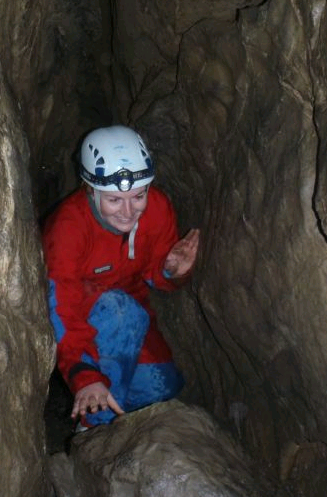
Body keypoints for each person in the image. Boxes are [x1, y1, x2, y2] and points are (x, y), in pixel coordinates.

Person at [42, 125, 200, 428]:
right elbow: (61, 307)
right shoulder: (68, 228)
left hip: (131, 316)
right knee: (121, 313)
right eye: (114, 200)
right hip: (83, 317)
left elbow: (155, 276)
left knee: (161, 390)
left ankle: (111, 406)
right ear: (91, 190)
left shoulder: (157, 208)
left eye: (138, 196)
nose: (129, 211)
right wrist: (84, 376)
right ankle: (92, 428)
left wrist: (171, 271)